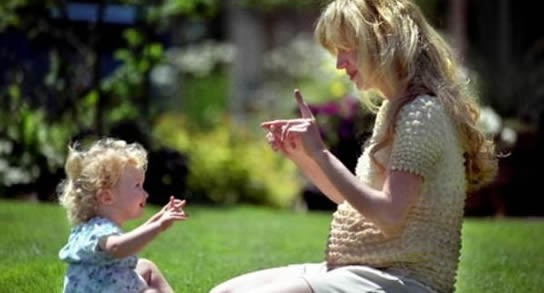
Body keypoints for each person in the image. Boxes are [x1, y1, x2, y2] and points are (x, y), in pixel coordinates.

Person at [210, 0, 498, 292]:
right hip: (364, 271)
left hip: (403, 281)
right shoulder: (395, 109)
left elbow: (388, 215)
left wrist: (322, 154)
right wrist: (305, 156)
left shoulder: (422, 112)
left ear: (383, 42)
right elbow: (355, 201)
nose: (339, 63)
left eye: (346, 48)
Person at [57, 137, 188, 293]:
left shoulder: (92, 228)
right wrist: (158, 227)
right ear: (107, 197)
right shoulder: (101, 230)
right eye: (137, 186)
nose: (145, 193)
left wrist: (159, 217)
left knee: (146, 267)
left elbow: (127, 240)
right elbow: (117, 247)